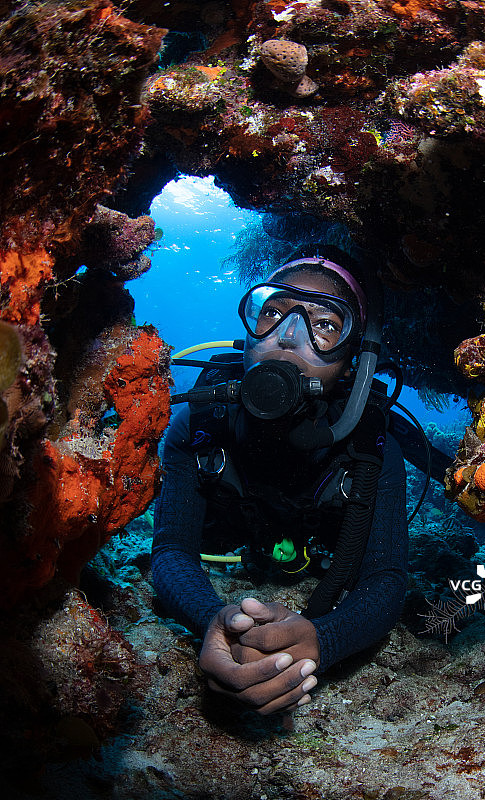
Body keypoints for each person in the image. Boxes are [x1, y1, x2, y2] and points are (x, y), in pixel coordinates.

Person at [151, 247, 408, 715]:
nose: (289, 337)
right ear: (248, 334)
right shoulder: (199, 424)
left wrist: (321, 639)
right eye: (272, 311)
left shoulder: (374, 449)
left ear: (352, 362)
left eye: (326, 324)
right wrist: (214, 619)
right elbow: (171, 550)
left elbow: (386, 580)